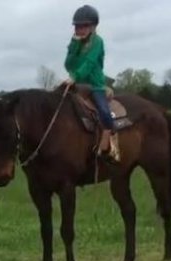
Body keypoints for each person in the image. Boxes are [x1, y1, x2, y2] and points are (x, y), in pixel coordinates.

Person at [63, 4, 120, 162]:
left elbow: (89, 63)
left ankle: (109, 137)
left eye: (84, 26)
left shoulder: (97, 42)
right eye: (77, 26)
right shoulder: (76, 42)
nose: (80, 29)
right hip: (76, 84)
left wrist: (75, 76)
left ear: (93, 27)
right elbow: (68, 64)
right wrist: (74, 46)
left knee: (103, 110)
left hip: (94, 85)